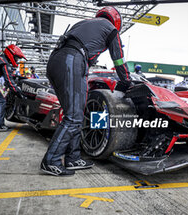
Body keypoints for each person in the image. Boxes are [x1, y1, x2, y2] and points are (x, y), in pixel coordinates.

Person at [40, 6, 133, 176]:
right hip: (72, 60)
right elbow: (118, 59)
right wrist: (128, 81)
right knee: (74, 116)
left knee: (74, 114)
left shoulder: (84, 24)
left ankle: (73, 158)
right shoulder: (111, 29)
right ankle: (51, 161)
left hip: (56, 61)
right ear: (117, 22)